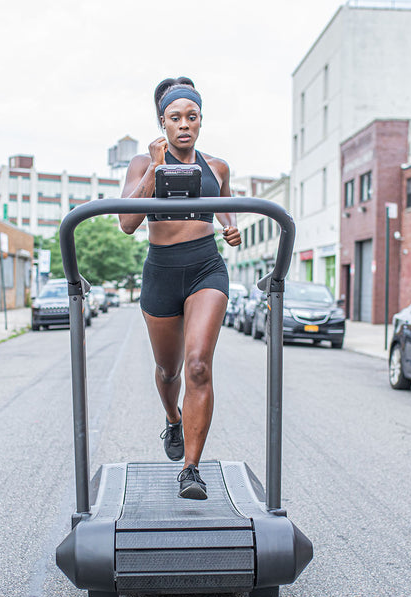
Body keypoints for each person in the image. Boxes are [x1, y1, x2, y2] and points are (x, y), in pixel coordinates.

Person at [118, 77, 242, 500]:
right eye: (175, 118)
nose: (184, 124)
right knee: (169, 370)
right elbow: (127, 223)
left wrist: (230, 226)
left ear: (201, 121)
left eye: (192, 117)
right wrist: (154, 168)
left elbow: (225, 201)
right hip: (161, 272)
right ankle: (172, 418)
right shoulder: (142, 162)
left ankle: (191, 469)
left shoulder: (218, 166)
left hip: (206, 267)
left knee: (198, 366)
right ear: (163, 122)